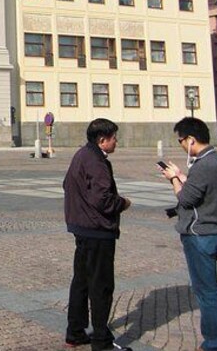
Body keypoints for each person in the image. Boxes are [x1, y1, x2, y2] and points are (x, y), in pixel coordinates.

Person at [161, 117, 217, 351]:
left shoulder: (203, 165)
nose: (180, 145)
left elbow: (186, 200)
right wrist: (184, 178)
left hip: (200, 235)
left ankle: (215, 345)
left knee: (206, 294)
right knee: (214, 291)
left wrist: (174, 179)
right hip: (215, 232)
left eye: (180, 140)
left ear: (191, 140)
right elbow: (203, 193)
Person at [63, 118, 132, 351]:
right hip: (97, 231)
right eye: (114, 138)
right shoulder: (96, 161)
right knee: (100, 286)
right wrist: (122, 203)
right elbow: (103, 199)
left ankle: (75, 332)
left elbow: (67, 185)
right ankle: (102, 341)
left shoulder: (81, 155)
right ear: (102, 140)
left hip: (81, 228)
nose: (116, 142)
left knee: (81, 281)